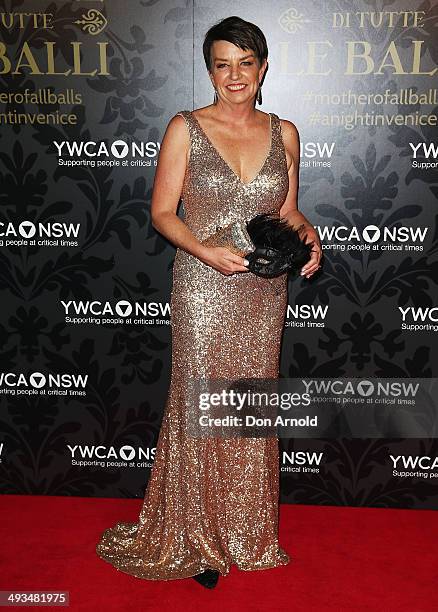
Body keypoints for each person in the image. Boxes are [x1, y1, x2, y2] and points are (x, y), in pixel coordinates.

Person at [96, 15, 322, 589]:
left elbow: (286, 212)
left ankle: (244, 531)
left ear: (263, 67)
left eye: (246, 62)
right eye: (223, 64)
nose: (235, 74)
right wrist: (205, 250)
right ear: (210, 70)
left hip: (263, 289)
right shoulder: (185, 128)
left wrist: (308, 236)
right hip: (203, 285)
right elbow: (162, 212)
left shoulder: (285, 133)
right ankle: (194, 537)